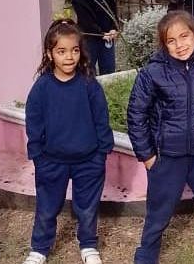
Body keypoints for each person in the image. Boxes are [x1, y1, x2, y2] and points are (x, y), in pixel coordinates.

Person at [127, 11, 194, 264]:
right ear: (164, 45)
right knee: (158, 211)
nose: (179, 45)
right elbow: (136, 114)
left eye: (184, 36)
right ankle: (147, 254)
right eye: (171, 40)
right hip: (167, 157)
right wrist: (147, 155)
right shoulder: (152, 73)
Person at [22, 20, 112, 264]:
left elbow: (101, 118)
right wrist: (38, 156)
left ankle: (88, 245)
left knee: (87, 207)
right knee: (47, 207)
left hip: (89, 160)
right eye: (61, 51)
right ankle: (39, 248)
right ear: (50, 54)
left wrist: (102, 152)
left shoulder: (89, 84)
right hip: (52, 161)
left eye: (74, 50)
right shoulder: (41, 88)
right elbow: (34, 123)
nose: (69, 57)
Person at [70, 0, 120, 75]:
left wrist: (114, 28)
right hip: (90, 37)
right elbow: (84, 20)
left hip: (107, 37)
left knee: (109, 70)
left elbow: (113, 10)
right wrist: (100, 34)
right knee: (88, 70)